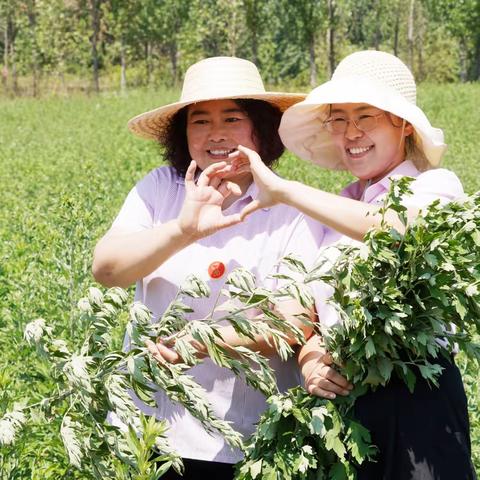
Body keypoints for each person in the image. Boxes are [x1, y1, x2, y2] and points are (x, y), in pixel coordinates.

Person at [225, 51, 476, 479]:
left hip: (417, 400)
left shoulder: (434, 187)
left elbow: (397, 230)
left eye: (366, 117)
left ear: (404, 124)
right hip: (347, 411)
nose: (351, 132)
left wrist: (285, 191)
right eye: (338, 119)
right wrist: (310, 357)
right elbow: (310, 310)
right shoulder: (339, 207)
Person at [92, 56, 323, 479]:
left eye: (232, 118)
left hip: (248, 440)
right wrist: (183, 229)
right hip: (152, 429)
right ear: (184, 133)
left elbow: (294, 322)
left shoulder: (288, 205)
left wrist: (199, 342)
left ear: (261, 129)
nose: (215, 133)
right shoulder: (161, 188)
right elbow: (108, 269)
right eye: (200, 121)